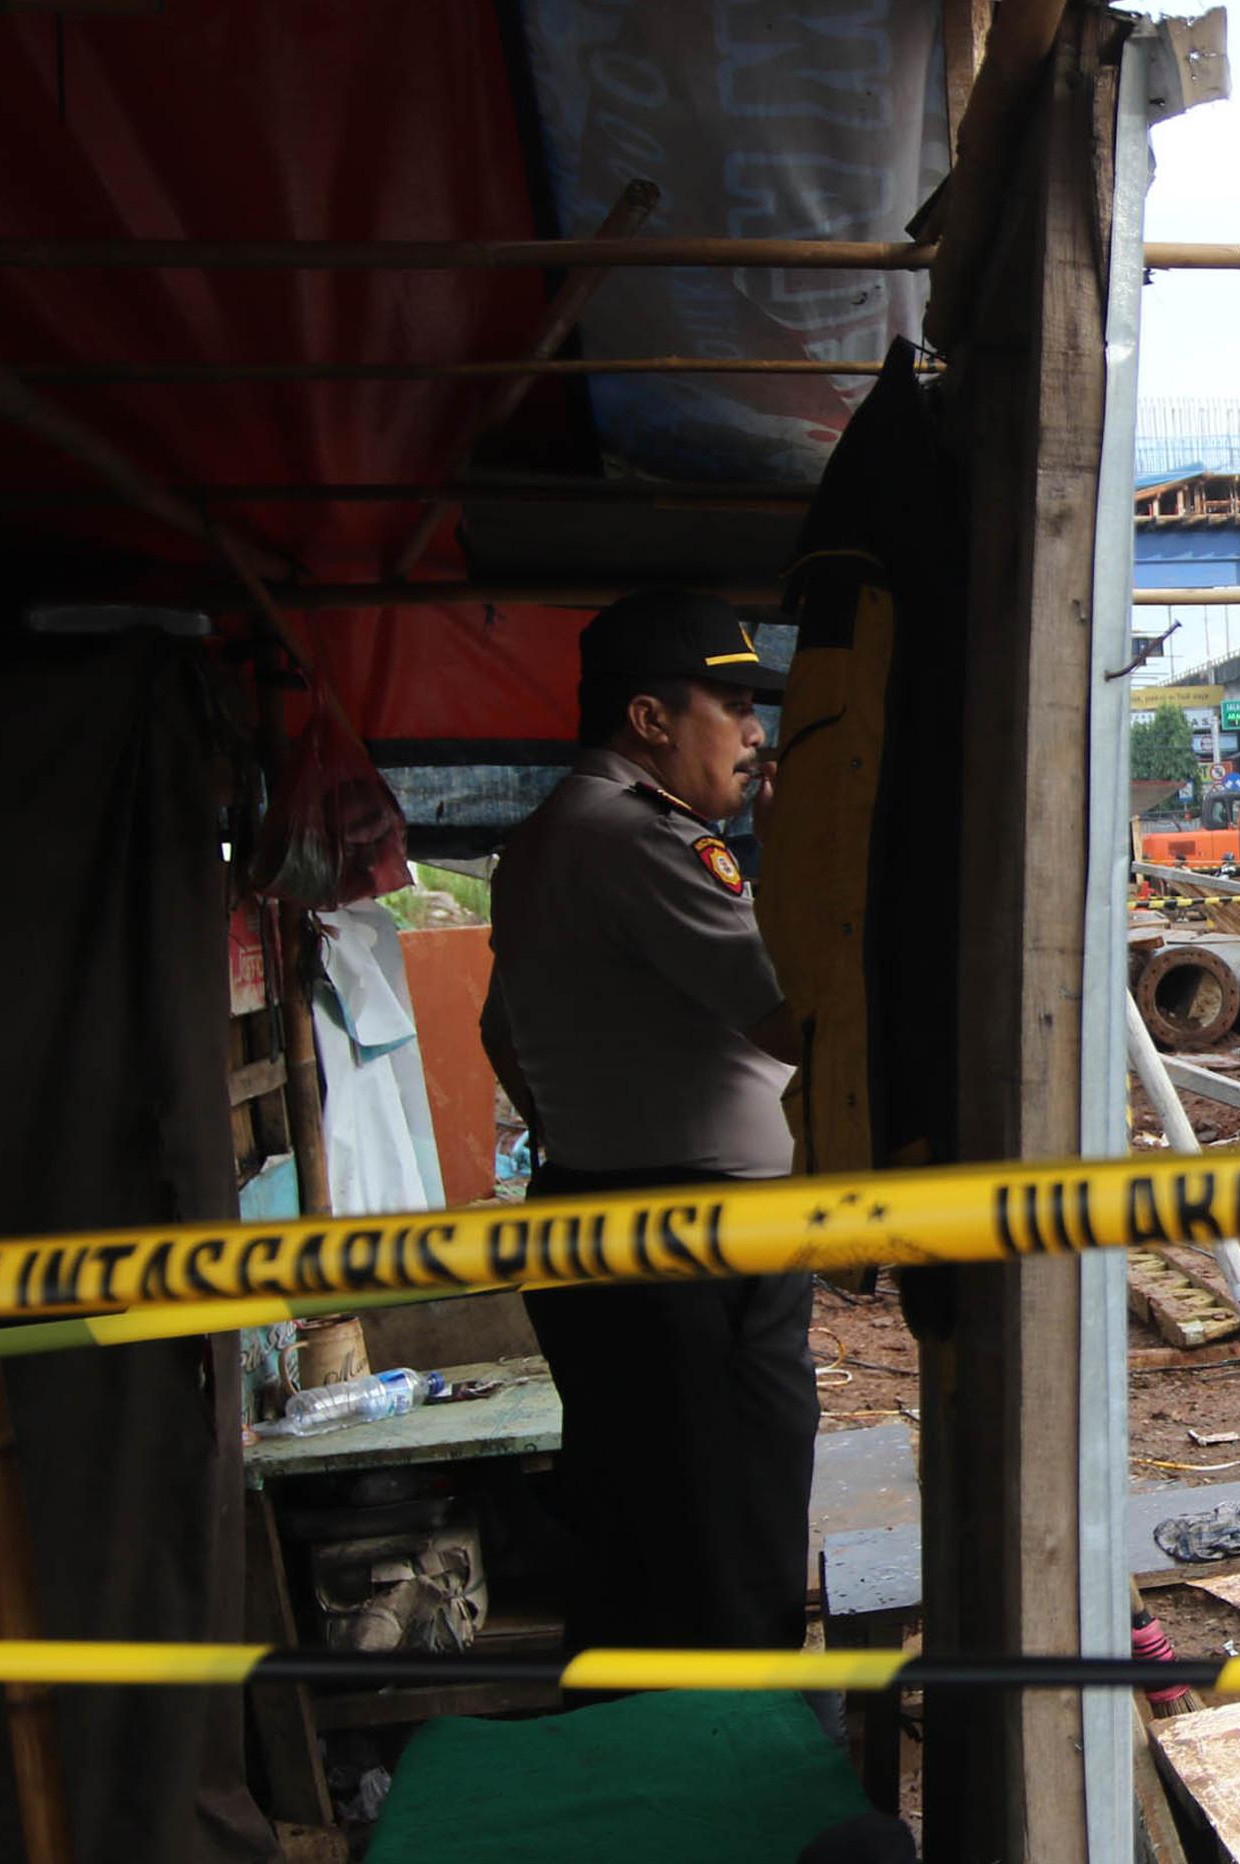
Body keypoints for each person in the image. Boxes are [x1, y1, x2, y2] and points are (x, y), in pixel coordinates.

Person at [479, 588, 811, 1657]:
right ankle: (737, 1771)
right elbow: (793, 1018)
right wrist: (805, 856)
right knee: (728, 1530)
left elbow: (499, 1031)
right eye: (731, 702)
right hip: (693, 1247)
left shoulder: (546, 839)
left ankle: (650, 1746)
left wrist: (591, 1126)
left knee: (645, 1528)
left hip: (608, 1215)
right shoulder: (638, 840)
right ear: (650, 721)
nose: (754, 730)